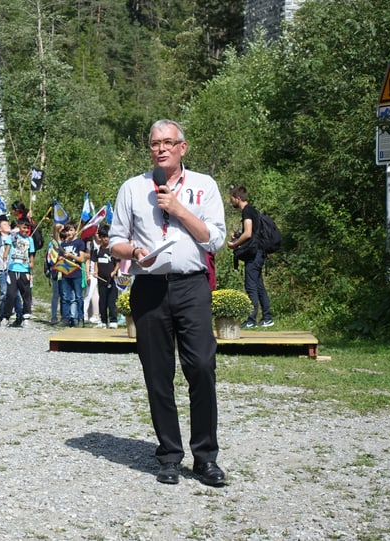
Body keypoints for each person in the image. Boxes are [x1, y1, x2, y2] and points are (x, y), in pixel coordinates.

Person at [108, 119, 227, 487]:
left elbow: (215, 240)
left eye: (168, 143)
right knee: (158, 375)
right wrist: (133, 251)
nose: (161, 149)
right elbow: (114, 241)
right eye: (154, 143)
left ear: (183, 147)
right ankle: (169, 456)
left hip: (191, 287)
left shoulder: (204, 186)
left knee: (202, 367)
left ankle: (205, 458)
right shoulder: (132, 188)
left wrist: (178, 210)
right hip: (149, 287)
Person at [226, 186, 273, 328]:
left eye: (232, 199)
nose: (231, 202)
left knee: (251, 286)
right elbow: (252, 234)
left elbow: (248, 233)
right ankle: (267, 318)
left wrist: (234, 244)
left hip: (254, 254)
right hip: (259, 252)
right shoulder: (253, 210)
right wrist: (238, 237)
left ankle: (251, 320)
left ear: (238, 198)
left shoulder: (247, 211)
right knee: (259, 286)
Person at [0, 218, 35, 327]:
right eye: (24, 227)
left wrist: (32, 263)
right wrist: (5, 255)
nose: (25, 230)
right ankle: (6, 316)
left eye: (27, 228)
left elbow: (31, 253)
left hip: (24, 269)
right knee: (11, 294)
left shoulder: (29, 240)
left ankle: (26, 317)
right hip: (13, 269)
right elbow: (8, 247)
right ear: (18, 226)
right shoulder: (13, 237)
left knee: (26, 294)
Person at [54, 222, 88, 327]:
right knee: (65, 297)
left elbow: (82, 259)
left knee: (78, 297)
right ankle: (65, 318)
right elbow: (58, 258)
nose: (69, 233)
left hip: (76, 273)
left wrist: (71, 256)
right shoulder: (63, 244)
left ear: (75, 231)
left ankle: (80, 318)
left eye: (71, 230)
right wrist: (60, 258)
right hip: (65, 273)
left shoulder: (79, 243)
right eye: (67, 230)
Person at [93, 225, 119, 328]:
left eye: (107, 236)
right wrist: (95, 272)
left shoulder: (113, 251)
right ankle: (103, 321)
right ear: (100, 237)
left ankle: (113, 320)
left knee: (112, 301)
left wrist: (114, 272)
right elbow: (95, 263)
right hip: (101, 280)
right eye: (103, 236)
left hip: (112, 280)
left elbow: (117, 263)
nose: (105, 239)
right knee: (102, 301)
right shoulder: (97, 251)